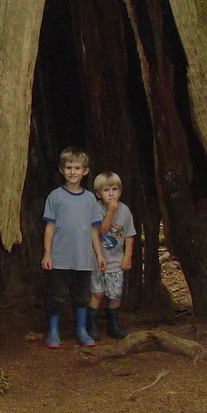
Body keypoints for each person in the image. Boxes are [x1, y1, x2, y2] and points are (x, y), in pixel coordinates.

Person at [41, 146, 106, 348]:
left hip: (83, 258)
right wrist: (47, 254)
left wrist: (99, 255)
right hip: (59, 257)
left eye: (77, 168)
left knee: (81, 296)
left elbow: (94, 230)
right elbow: (49, 227)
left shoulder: (90, 200)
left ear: (85, 171)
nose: (72, 172)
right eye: (69, 167)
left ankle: (81, 330)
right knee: (57, 295)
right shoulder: (55, 197)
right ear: (61, 170)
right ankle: (52, 331)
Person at [85, 171, 136, 340]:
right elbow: (102, 230)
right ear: (98, 193)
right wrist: (110, 212)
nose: (111, 193)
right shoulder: (96, 209)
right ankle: (90, 325)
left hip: (116, 260)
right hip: (96, 260)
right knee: (97, 293)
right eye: (106, 190)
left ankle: (113, 324)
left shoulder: (125, 211)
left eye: (115, 189)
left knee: (115, 294)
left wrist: (127, 256)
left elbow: (129, 234)